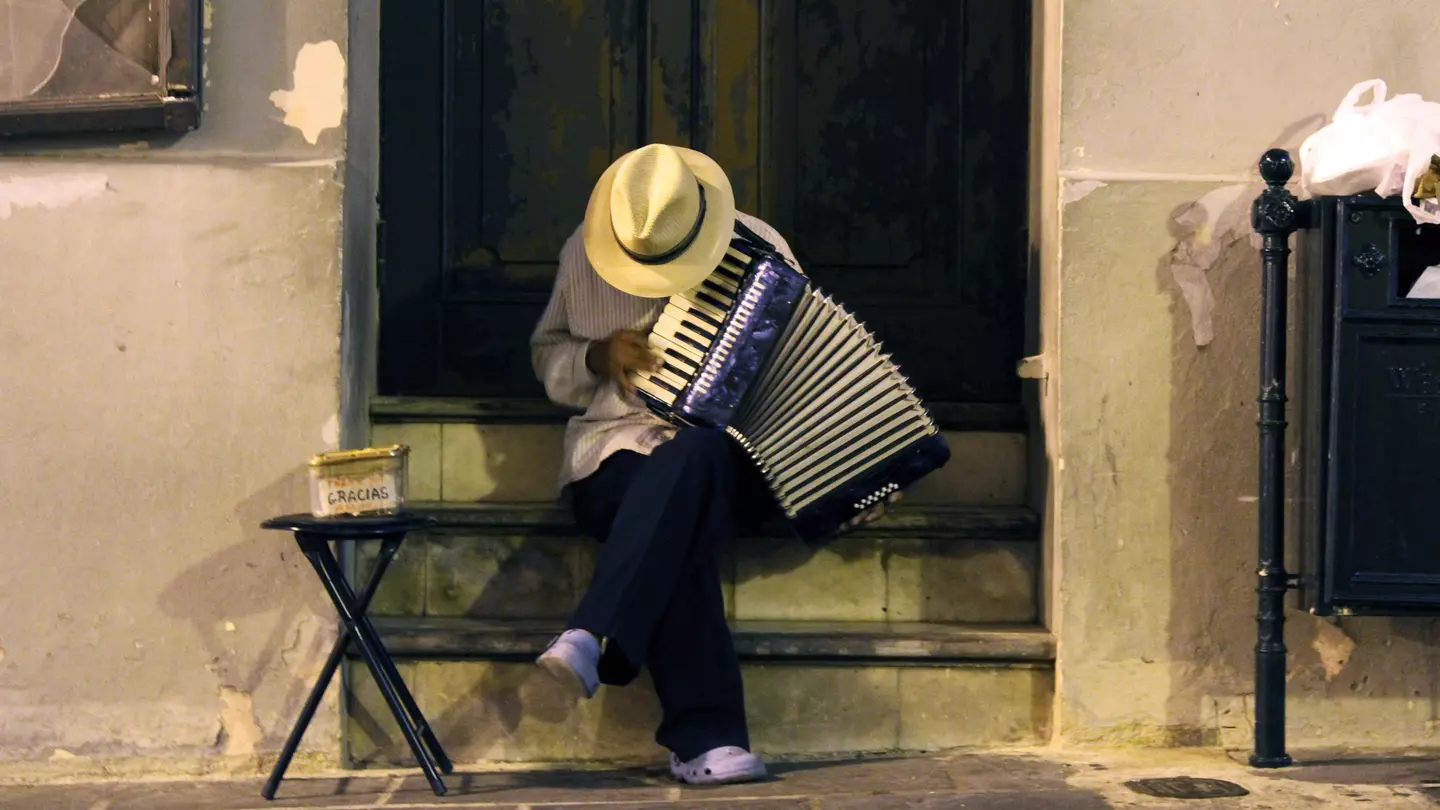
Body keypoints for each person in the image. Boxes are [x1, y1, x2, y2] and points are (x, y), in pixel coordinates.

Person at [529, 143, 889, 785]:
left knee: (690, 458)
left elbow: (808, 366)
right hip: (614, 447)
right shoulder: (580, 251)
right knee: (670, 522)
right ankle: (708, 743)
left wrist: (852, 468)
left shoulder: (762, 245)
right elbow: (547, 354)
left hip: (735, 457)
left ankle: (592, 630)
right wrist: (596, 357)